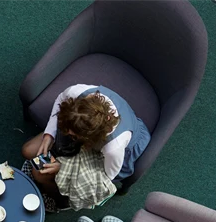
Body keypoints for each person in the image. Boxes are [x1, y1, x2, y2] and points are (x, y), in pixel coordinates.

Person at [21, 84, 151, 209]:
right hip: (90, 135)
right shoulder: (77, 92)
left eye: (72, 135)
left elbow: (104, 178)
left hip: (109, 159)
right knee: (28, 151)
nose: (67, 135)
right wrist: (49, 135)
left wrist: (63, 167)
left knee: (38, 174)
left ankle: (61, 201)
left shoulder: (113, 148)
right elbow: (61, 99)